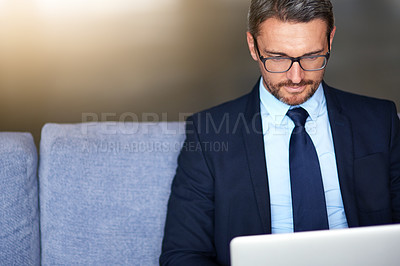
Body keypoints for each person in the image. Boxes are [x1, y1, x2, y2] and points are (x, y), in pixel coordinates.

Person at [160, 0, 400, 265]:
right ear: (253, 46)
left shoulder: (381, 122)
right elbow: (182, 255)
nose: (296, 77)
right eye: (278, 58)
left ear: (330, 39)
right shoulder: (208, 135)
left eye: (311, 56)